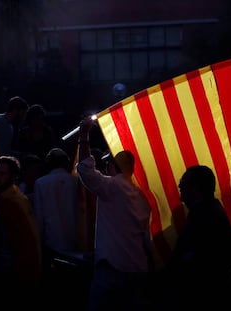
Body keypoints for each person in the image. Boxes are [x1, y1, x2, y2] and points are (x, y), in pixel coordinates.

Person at [76, 116, 152, 311]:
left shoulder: (113, 186)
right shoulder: (142, 195)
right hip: (138, 269)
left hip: (112, 269)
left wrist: (84, 134)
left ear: (112, 166)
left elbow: (85, 170)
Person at [155, 165, 231, 310]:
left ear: (196, 189)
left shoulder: (205, 218)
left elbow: (191, 264)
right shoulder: (205, 212)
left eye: (184, 182)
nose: (179, 185)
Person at [0, 155, 42, 304]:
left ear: (12, 176)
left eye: (3, 174)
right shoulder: (12, 195)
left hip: (15, 265)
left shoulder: (11, 199)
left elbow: (22, 238)